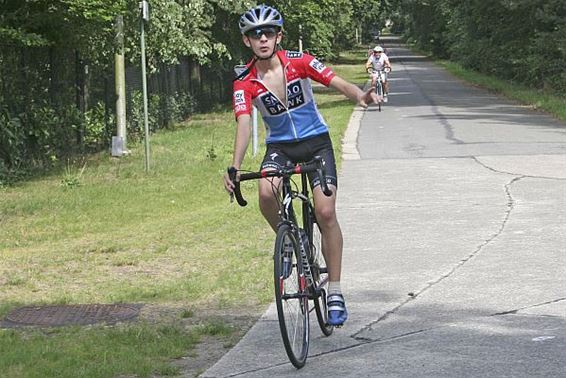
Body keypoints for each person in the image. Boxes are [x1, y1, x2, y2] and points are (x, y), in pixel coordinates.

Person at [223, 4, 378, 326]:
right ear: (246, 41)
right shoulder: (245, 81)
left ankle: (334, 290)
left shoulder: (300, 62)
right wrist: (234, 167)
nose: (262, 39)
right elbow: (243, 123)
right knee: (266, 193)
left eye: (268, 32)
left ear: (278, 35)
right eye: (255, 34)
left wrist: (359, 96)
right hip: (280, 147)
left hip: (316, 142)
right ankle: (292, 241)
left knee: (325, 213)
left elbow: (334, 80)